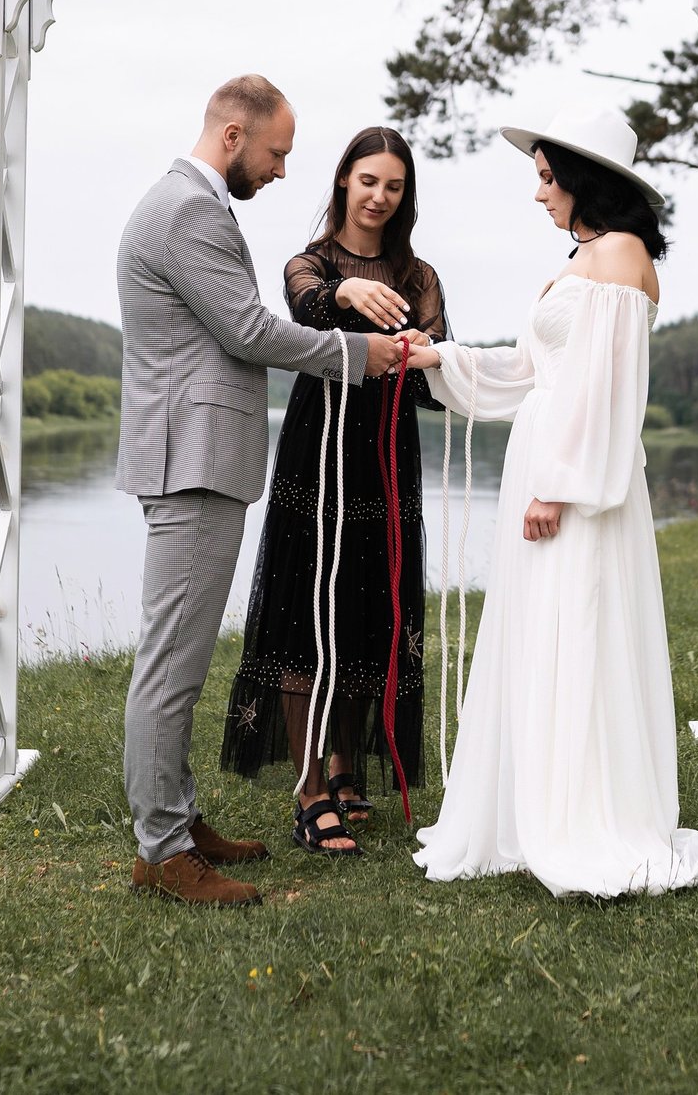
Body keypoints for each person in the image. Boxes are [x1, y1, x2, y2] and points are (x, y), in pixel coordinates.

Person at [407, 107, 698, 899]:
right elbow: (533, 371)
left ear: (586, 180)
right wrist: (438, 357)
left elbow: (602, 389)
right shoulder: (587, 256)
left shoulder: (620, 254)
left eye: (549, 178)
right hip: (547, 459)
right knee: (540, 627)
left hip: (578, 478)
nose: (540, 193)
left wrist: (558, 485)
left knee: (578, 623)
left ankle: (585, 814)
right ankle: (537, 804)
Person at [115, 77, 404, 907]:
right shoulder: (188, 210)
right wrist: (357, 354)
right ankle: (164, 850)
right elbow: (247, 329)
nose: (281, 171)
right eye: (277, 153)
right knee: (171, 667)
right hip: (191, 460)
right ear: (234, 135)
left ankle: (175, 822)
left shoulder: (190, 204)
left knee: (178, 660)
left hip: (195, 456)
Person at [221, 127, 447, 855]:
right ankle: (310, 790)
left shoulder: (419, 277)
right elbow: (306, 312)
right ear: (345, 180)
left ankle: (346, 766)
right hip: (316, 454)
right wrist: (344, 288)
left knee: (368, 609)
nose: (380, 196)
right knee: (303, 613)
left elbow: (432, 386)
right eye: (368, 180)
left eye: (394, 186)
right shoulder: (309, 263)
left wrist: (425, 357)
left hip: (388, 458)